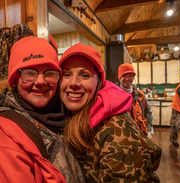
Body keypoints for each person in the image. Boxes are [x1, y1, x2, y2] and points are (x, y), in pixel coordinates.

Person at [0, 36, 85, 183]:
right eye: (29, 73)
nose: (40, 81)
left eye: (49, 73)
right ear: (15, 79)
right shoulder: (1, 137)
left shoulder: (61, 117)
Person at [58, 43, 162, 182]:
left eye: (84, 75)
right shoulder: (66, 116)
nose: (74, 83)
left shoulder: (120, 136)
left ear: (99, 83)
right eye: (67, 74)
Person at [117, 63, 154, 138]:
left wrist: (147, 130)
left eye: (130, 76)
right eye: (124, 76)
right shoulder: (114, 95)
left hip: (140, 135)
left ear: (133, 77)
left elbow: (148, 112)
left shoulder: (140, 95)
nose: (127, 79)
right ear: (119, 77)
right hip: (122, 136)